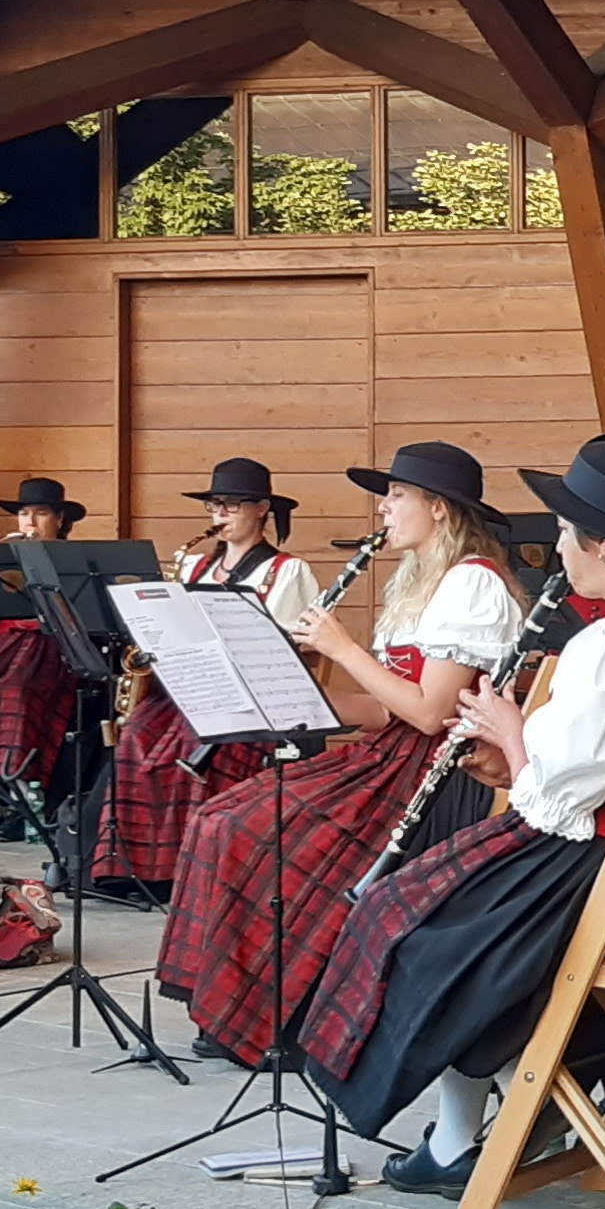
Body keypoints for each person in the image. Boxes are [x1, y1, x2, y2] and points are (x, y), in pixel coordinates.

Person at [304, 435, 605, 1192]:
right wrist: (507, 754)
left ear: (603, 544)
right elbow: (589, 767)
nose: (556, 545)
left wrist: (510, 733)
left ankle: (461, 1137)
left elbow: (554, 798)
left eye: (566, 530)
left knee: (408, 920)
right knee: (429, 906)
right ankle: (501, 1119)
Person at [162, 439, 525, 1067]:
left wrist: (339, 647)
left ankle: (276, 1014)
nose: (384, 508)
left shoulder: (472, 585)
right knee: (218, 816)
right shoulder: (422, 580)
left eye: (398, 494)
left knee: (247, 830)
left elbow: (430, 713)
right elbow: (385, 707)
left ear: (438, 508)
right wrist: (286, 699)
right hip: (391, 752)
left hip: (436, 774)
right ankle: (247, 1006)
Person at [83, 457, 321, 899]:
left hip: (249, 697)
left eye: (232, 506)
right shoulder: (194, 567)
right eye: (215, 506)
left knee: (199, 747)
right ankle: (140, 871)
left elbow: (293, 647)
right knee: (135, 735)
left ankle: (189, 871)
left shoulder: (288, 570)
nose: (221, 516)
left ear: (262, 509)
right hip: (189, 689)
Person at [0, 476, 87, 834]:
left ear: (59, 520)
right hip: (4, 648)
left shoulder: (72, 561)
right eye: (24, 513)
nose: (29, 522)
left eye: (40, 513)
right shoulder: (1, 559)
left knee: (18, 692)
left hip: (51, 648)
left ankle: (23, 800)